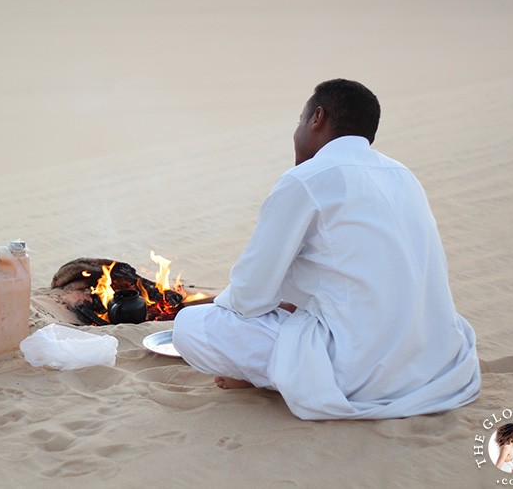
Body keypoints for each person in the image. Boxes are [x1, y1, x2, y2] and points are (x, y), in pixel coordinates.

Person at [172, 79, 481, 420]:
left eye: (299, 120)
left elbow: (248, 297)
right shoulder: (403, 174)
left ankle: (269, 375)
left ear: (317, 118)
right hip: (432, 363)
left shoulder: (305, 178)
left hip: (356, 374)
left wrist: (245, 305)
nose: (296, 132)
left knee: (191, 325)